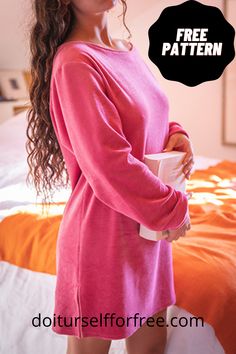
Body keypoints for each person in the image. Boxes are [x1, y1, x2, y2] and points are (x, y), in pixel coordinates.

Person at [26, 0, 194, 353]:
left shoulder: (126, 51)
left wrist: (177, 134)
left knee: (150, 348)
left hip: (147, 234)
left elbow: (149, 120)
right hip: (103, 239)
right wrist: (172, 208)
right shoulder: (74, 62)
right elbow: (107, 162)